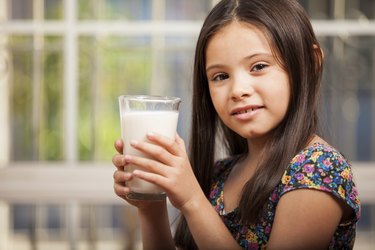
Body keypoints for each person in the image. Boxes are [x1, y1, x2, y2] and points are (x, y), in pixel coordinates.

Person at [112, 0, 361, 249]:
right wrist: (151, 206)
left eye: (259, 66)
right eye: (220, 76)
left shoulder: (318, 169)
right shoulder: (221, 173)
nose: (238, 90)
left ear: (310, 62)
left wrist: (191, 200)